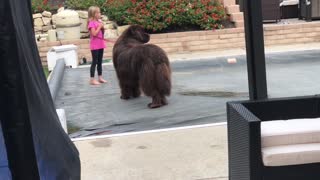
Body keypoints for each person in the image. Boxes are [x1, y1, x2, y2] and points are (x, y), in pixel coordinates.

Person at [87, 6, 107, 85]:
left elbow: (102, 34)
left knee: (100, 62)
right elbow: (94, 34)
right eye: (98, 12)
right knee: (94, 62)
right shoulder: (91, 23)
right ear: (94, 14)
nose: (100, 14)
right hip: (95, 46)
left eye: (99, 12)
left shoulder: (99, 21)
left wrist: (103, 28)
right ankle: (92, 79)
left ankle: (100, 77)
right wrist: (99, 27)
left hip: (100, 44)